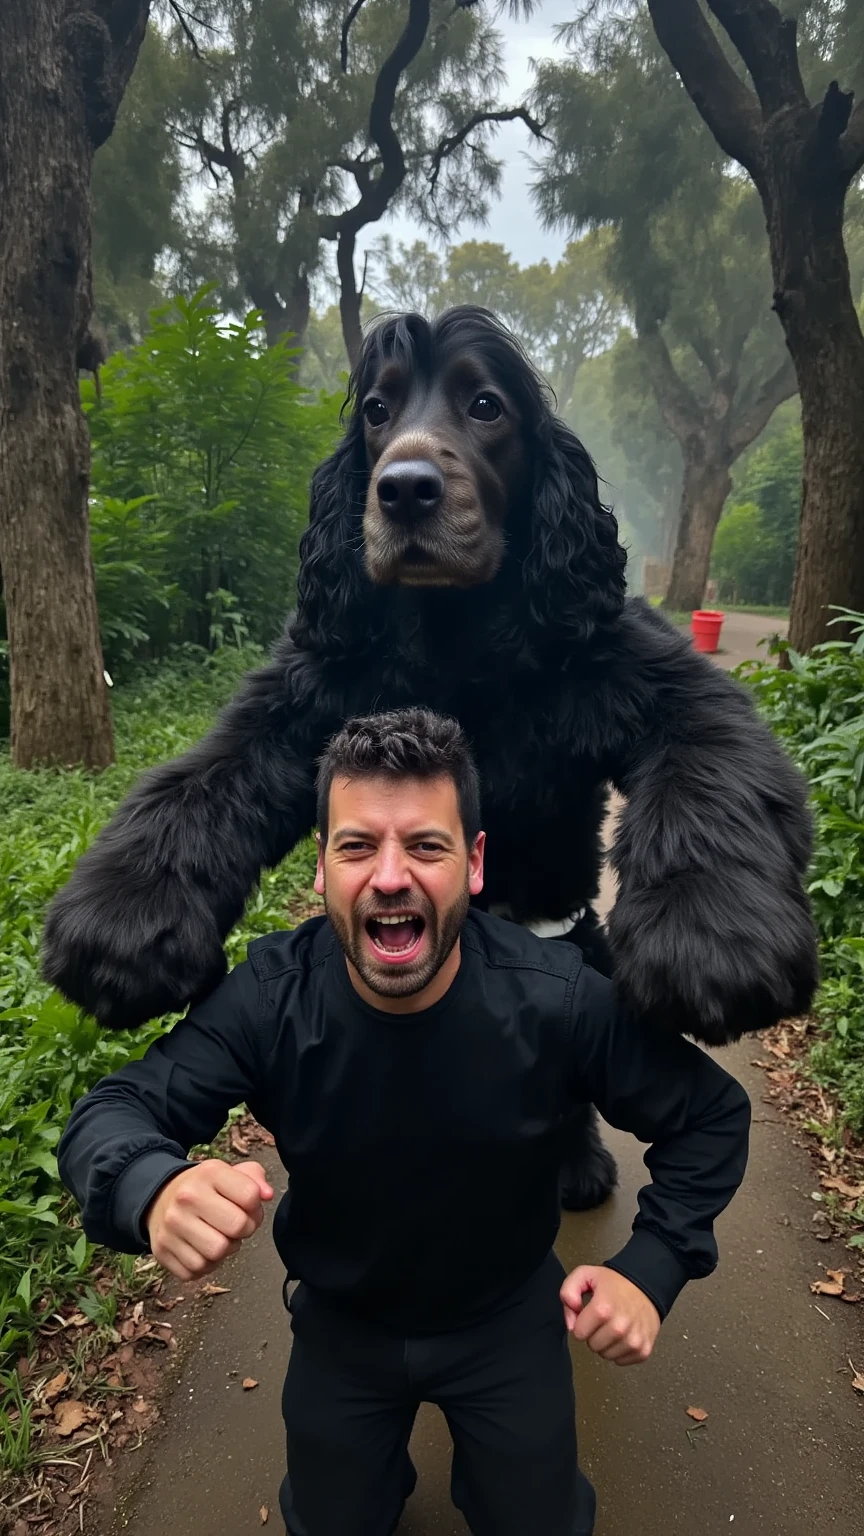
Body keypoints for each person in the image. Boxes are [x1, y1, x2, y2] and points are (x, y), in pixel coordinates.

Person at [57, 707, 751, 1536]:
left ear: (475, 864)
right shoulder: (271, 999)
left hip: (507, 1323)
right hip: (343, 1328)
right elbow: (111, 1112)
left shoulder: (559, 999)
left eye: (426, 846)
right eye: (357, 847)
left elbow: (710, 1115)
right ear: (321, 869)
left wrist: (653, 1265)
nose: (391, 877)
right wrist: (151, 1186)